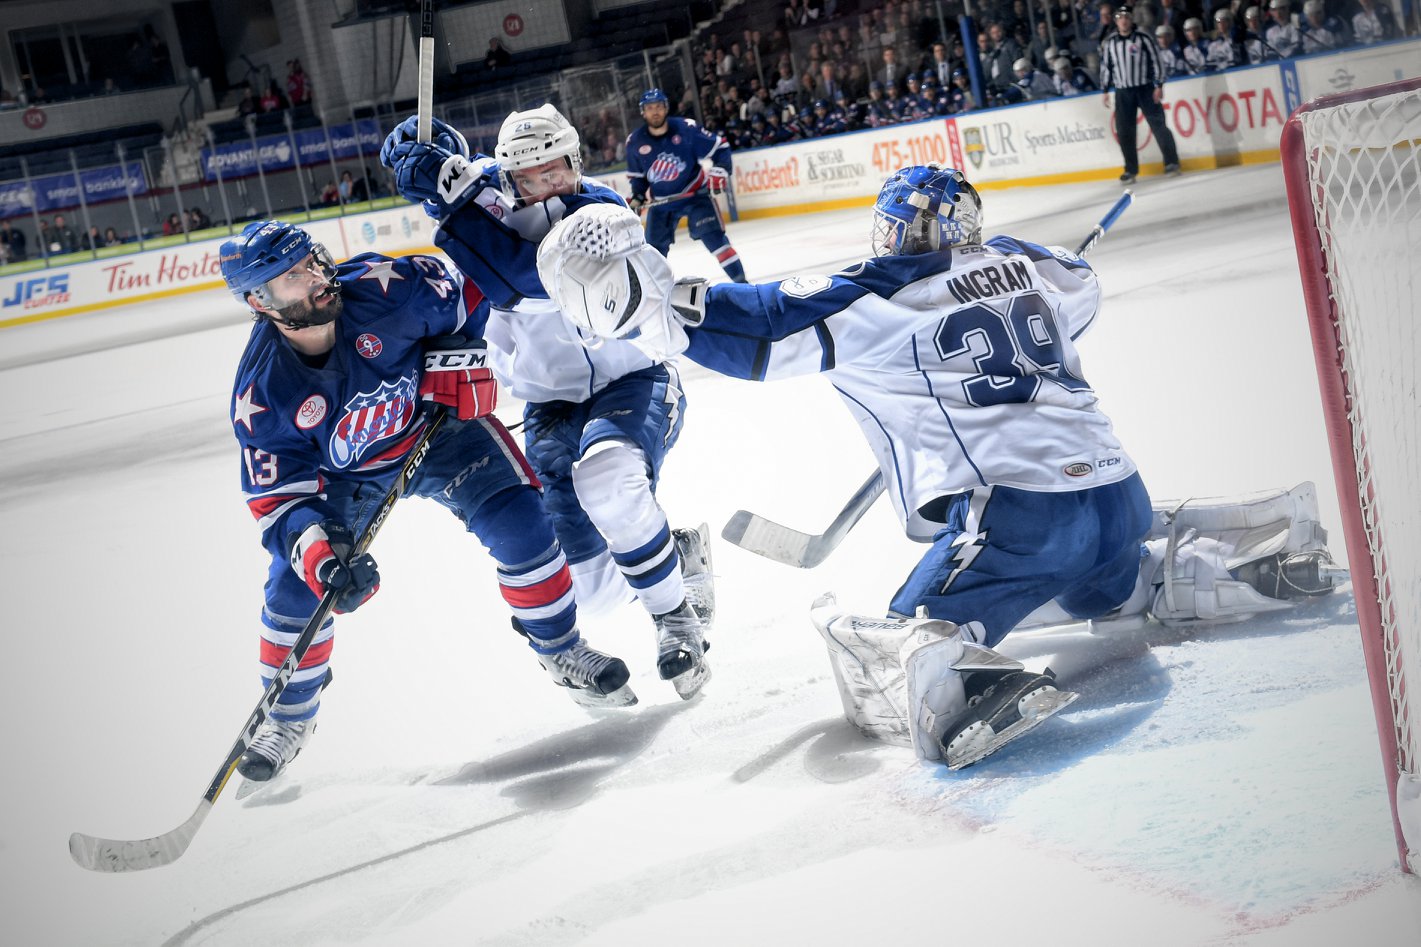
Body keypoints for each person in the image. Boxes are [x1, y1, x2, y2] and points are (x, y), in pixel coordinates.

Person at [536, 165, 1344, 769]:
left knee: (909, 629)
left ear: (895, 235)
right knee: (1106, 577)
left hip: (1024, 513)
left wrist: (647, 302)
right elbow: (1081, 284)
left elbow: (757, 328)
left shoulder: (875, 296)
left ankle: (965, 678)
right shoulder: (1034, 263)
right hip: (1118, 495)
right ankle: (1211, 571)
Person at [218, 219, 637, 783]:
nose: (316, 277)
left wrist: (463, 354)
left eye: (313, 261)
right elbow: (276, 498)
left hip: (439, 433)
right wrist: (322, 556)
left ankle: (561, 649)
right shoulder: (263, 391)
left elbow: (477, 293)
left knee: (522, 525)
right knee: (297, 589)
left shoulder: (387, 287)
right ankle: (287, 716)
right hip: (343, 478)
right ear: (260, 301)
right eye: (294, 276)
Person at [378, 107, 715, 700]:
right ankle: (676, 551)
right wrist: (435, 168)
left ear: (576, 162)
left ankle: (676, 619)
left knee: (610, 481)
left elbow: (529, 276)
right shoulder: (492, 209)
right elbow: (474, 231)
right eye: (530, 177)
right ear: (512, 179)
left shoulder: (601, 213)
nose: (546, 183)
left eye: (555, 169)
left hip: (634, 380)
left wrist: (452, 195)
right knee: (590, 590)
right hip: (550, 405)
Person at [625, 88, 747, 285]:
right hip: (661, 203)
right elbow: (639, 179)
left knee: (716, 241)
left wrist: (721, 170)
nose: (654, 112)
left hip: (695, 196)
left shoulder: (686, 129)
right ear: (643, 112)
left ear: (666, 108)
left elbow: (720, 148)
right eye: (649, 108)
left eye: (658, 107)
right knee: (653, 255)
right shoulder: (635, 142)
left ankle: (744, 286)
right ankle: (653, 300)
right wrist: (638, 196)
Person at [1100, 5, 1181, 184]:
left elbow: (1156, 61)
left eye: (1127, 17)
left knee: (1158, 125)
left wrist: (1159, 85)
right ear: (1116, 21)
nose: (1124, 20)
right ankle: (1130, 170)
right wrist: (1105, 90)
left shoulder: (1143, 38)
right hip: (1123, 92)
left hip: (1145, 89)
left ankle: (1172, 162)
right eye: (1120, 17)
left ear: (1131, 19)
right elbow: (1106, 67)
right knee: (1125, 132)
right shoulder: (1111, 42)